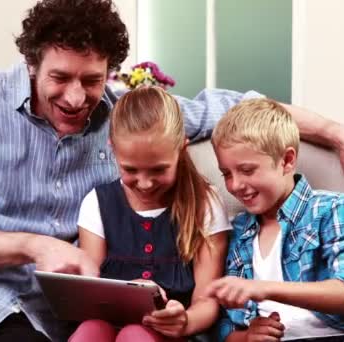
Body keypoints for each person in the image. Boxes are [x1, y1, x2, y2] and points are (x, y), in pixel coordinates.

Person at [0, 0, 344, 341]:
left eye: (92, 79)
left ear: (111, 72)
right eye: (59, 77)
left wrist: (340, 134)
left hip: (28, 316)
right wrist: (37, 245)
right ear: (32, 64)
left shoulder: (129, 115)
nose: (76, 97)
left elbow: (240, 109)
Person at [205, 98, 344, 342]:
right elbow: (223, 325)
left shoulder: (331, 209)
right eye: (226, 174)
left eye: (247, 170)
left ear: (287, 161)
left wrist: (263, 288)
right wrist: (244, 337)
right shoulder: (239, 233)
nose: (235, 185)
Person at [68, 86, 229, 342]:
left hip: (176, 334)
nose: (145, 183)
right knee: (91, 330)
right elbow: (91, 292)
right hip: (109, 327)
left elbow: (207, 301)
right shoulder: (97, 203)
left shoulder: (204, 203)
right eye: (130, 169)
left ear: (181, 149)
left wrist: (185, 321)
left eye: (158, 170)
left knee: (135, 335)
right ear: (113, 149)